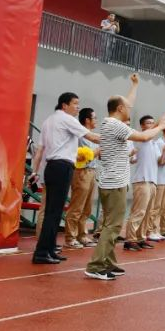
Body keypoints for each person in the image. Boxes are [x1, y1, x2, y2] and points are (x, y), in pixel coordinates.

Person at [85, 74, 165, 281]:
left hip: (112, 181)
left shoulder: (110, 122)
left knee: (112, 224)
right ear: (119, 109)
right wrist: (161, 126)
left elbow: (128, 102)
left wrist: (135, 85)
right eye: (127, 107)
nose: (130, 109)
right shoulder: (115, 125)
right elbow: (144, 136)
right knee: (113, 226)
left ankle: (108, 262)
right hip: (114, 182)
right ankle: (96, 265)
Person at [32, 92, 101, 264]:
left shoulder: (48, 121)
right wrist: (116, 137)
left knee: (52, 212)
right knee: (53, 213)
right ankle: (42, 253)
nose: (78, 107)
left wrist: (34, 172)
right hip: (62, 166)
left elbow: (40, 150)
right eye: (75, 103)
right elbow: (92, 137)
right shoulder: (67, 119)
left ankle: (48, 249)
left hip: (51, 167)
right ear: (64, 105)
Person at [64, 107, 99, 249]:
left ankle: (82, 235)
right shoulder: (80, 135)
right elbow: (83, 156)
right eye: (94, 118)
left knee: (87, 207)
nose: (96, 120)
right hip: (81, 172)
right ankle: (70, 237)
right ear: (87, 120)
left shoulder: (93, 136)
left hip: (92, 172)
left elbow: (96, 154)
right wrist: (97, 151)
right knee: (77, 206)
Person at [123, 115, 160, 251]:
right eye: (148, 123)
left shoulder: (154, 143)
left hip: (153, 180)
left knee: (148, 212)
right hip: (141, 180)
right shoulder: (139, 138)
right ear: (142, 126)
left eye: (152, 123)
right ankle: (130, 239)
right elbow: (133, 158)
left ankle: (141, 237)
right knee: (139, 211)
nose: (151, 125)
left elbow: (160, 161)